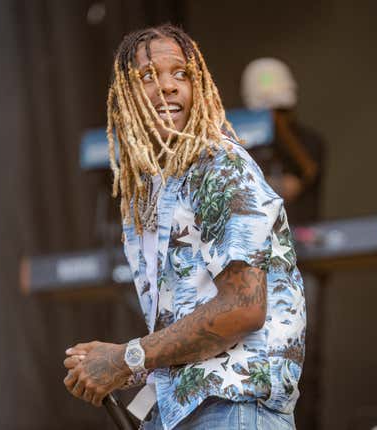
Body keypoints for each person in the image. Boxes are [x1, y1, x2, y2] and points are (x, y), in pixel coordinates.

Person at [62, 24, 306, 430]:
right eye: (148, 76)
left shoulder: (221, 165)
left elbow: (243, 308)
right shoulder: (153, 193)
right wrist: (119, 369)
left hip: (234, 408)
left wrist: (127, 358)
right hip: (186, 411)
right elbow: (186, 328)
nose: (169, 86)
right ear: (124, 98)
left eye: (181, 74)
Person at [240, 58, 326, 225]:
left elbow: (303, 178)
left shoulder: (310, 142)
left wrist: (281, 130)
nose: (274, 117)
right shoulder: (241, 143)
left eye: (280, 111)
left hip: (297, 235)